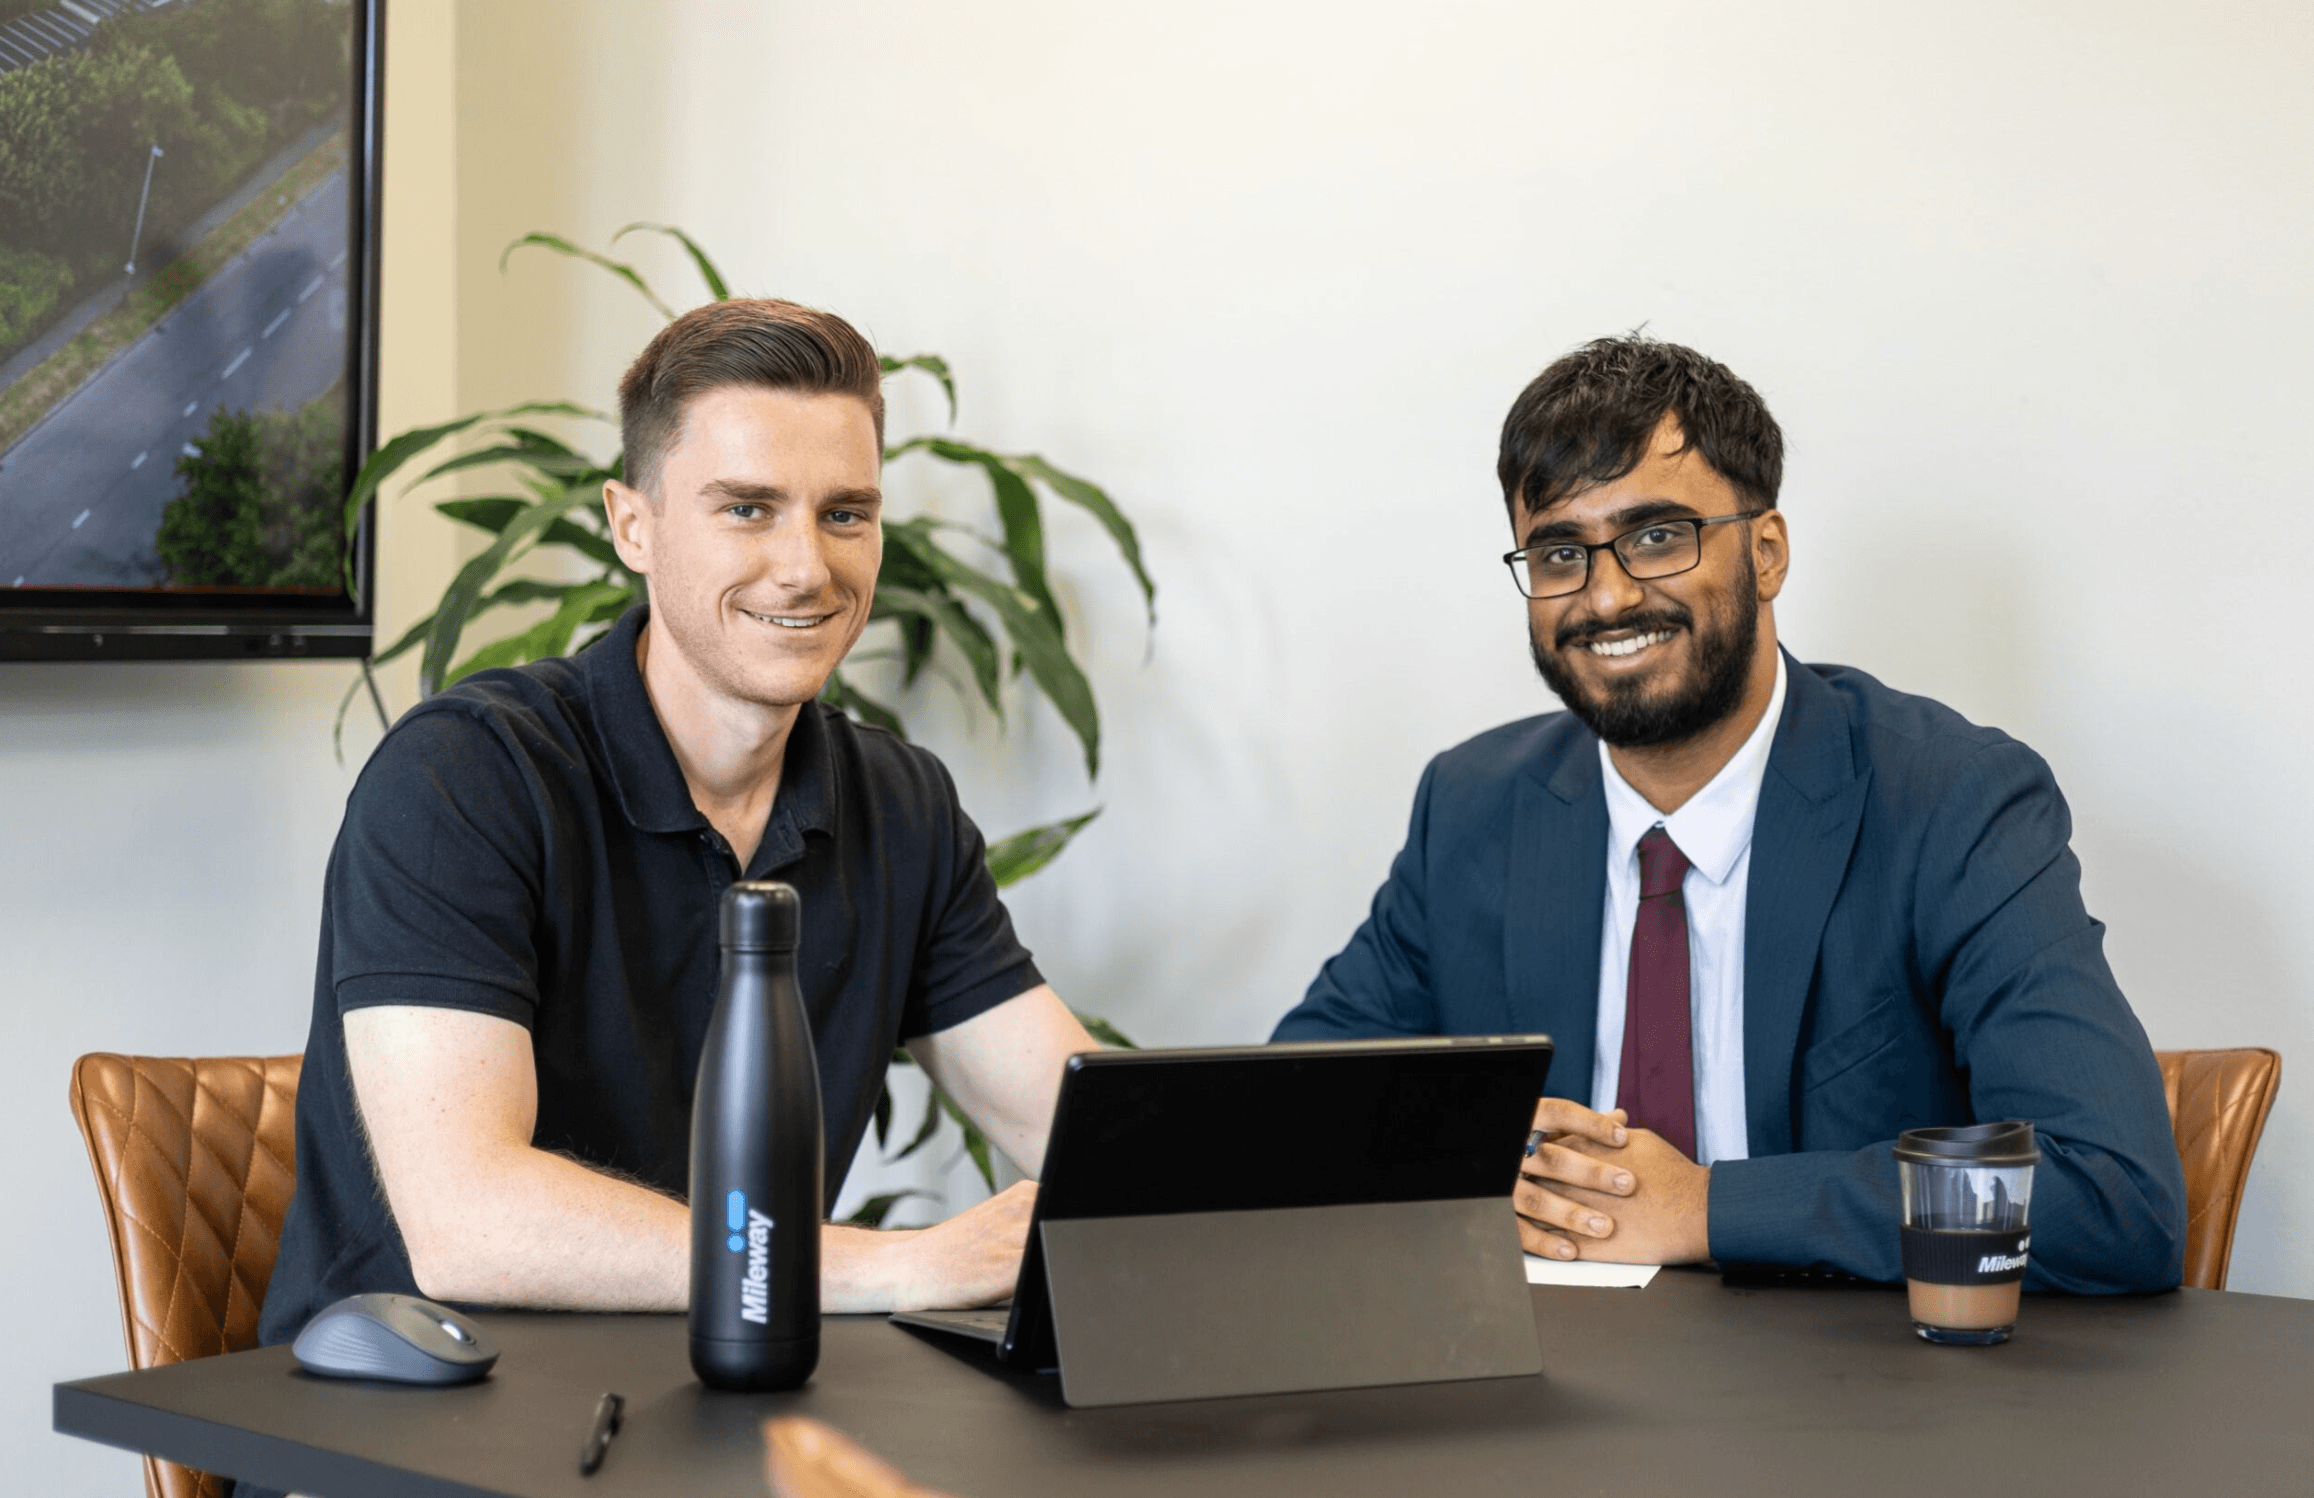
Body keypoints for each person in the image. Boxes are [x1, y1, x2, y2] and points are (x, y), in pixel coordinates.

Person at [259, 298, 1096, 1356]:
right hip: (404, 1427)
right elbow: (469, 1223)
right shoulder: (462, 776)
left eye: (845, 513)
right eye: (746, 509)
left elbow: (1082, 1139)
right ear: (631, 524)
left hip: (720, 1409)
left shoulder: (900, 806)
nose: (807, 567)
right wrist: (898, 1262)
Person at [1272, 335, 2184, 1291]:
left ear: (1767, 551)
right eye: (1559, 554)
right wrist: (1477, 1163)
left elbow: (2115, 1197)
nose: (1609, 595)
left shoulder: (1951, 802)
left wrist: (1704, 1208)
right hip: (1545, 1401)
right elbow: (1293, 1120)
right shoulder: (1473, 808)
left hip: (1854, 1404)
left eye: (1658, 537)